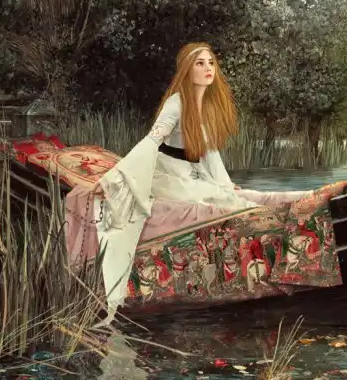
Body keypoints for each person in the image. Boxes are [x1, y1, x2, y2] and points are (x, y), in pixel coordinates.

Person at [90, 42, 311, 326]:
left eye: (211, 63)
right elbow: (151, 141)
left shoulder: (205, 105)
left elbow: (209, 153)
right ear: (187, 69)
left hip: (189, 173)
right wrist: (114, 179)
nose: (208, 68)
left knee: (232, 195)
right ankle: (270, 220)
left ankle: (283, 209)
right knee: (226, 203)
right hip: (167, 176)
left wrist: (226, 184)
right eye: (200, 63)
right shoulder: (176, 103)